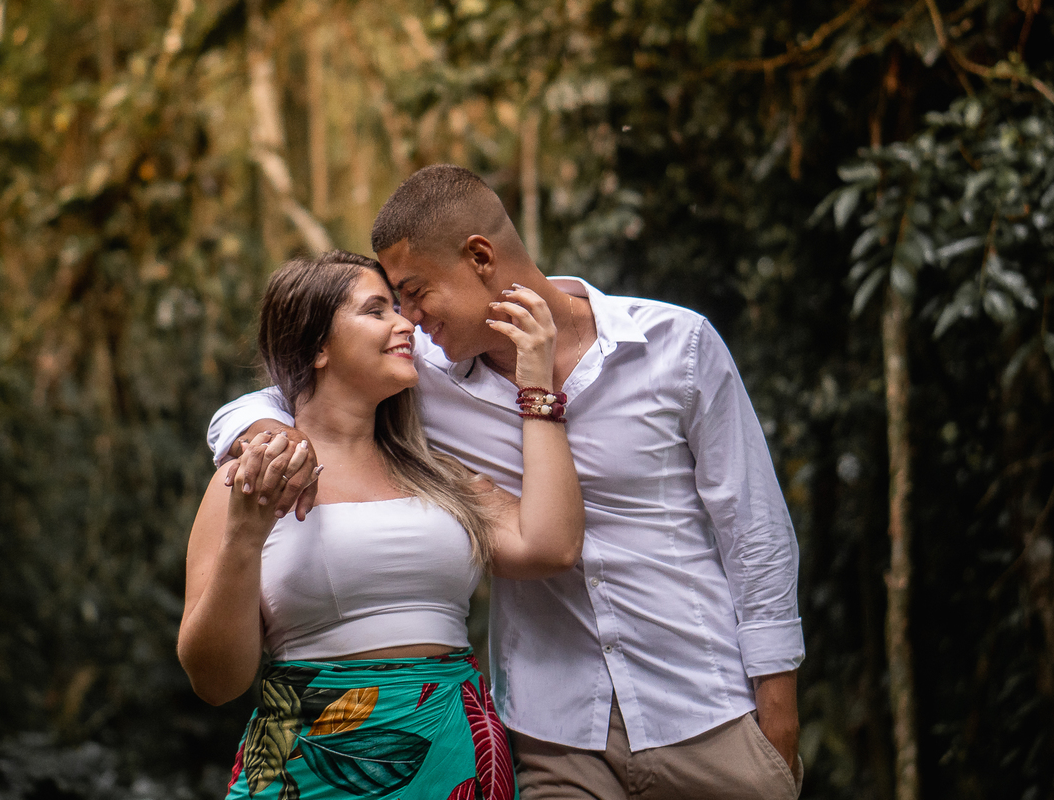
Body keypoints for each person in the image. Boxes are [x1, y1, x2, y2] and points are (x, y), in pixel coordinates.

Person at [209, 166, 805, 800]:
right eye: (391, 302)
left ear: (481, 257)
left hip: (706, 707)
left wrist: (778, 713)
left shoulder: (675, 345)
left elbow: (756, 534)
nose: (408, 318)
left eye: (414, 291)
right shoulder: (423, 377)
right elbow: (288, 387)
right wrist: (268, 434)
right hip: (554, 733)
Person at [180, 249, 584, 800]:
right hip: (311, 760)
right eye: (377, 311)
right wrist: (244, 537)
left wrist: (537, 391)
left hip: (453, 754)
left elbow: (550, 545)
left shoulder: (438, 471)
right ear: (317, 346)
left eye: (399, 308)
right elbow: (216, 681)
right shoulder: (250, 475)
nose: (406, 325)